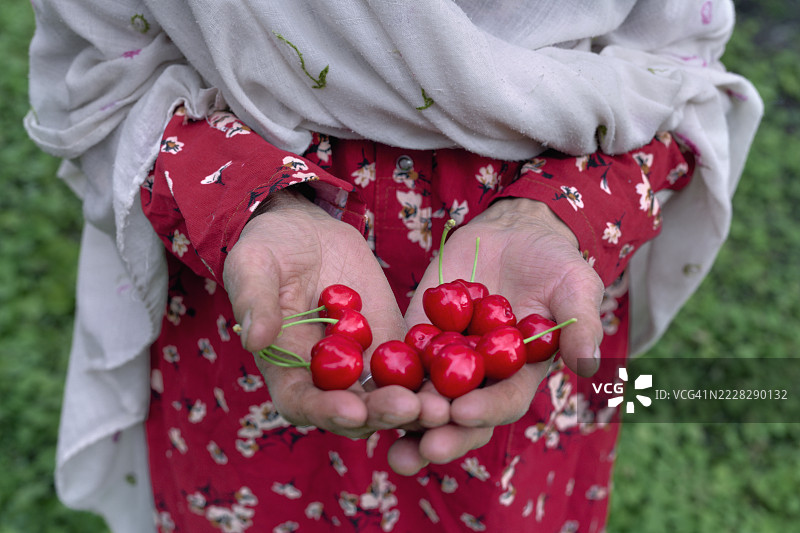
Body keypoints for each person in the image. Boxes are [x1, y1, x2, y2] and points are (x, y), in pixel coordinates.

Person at [25, 1, 761, 532]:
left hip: (540, 275)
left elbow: (678, 75)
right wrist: (256, 207)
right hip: (258, 306)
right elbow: (103, 71)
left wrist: (559, 212)